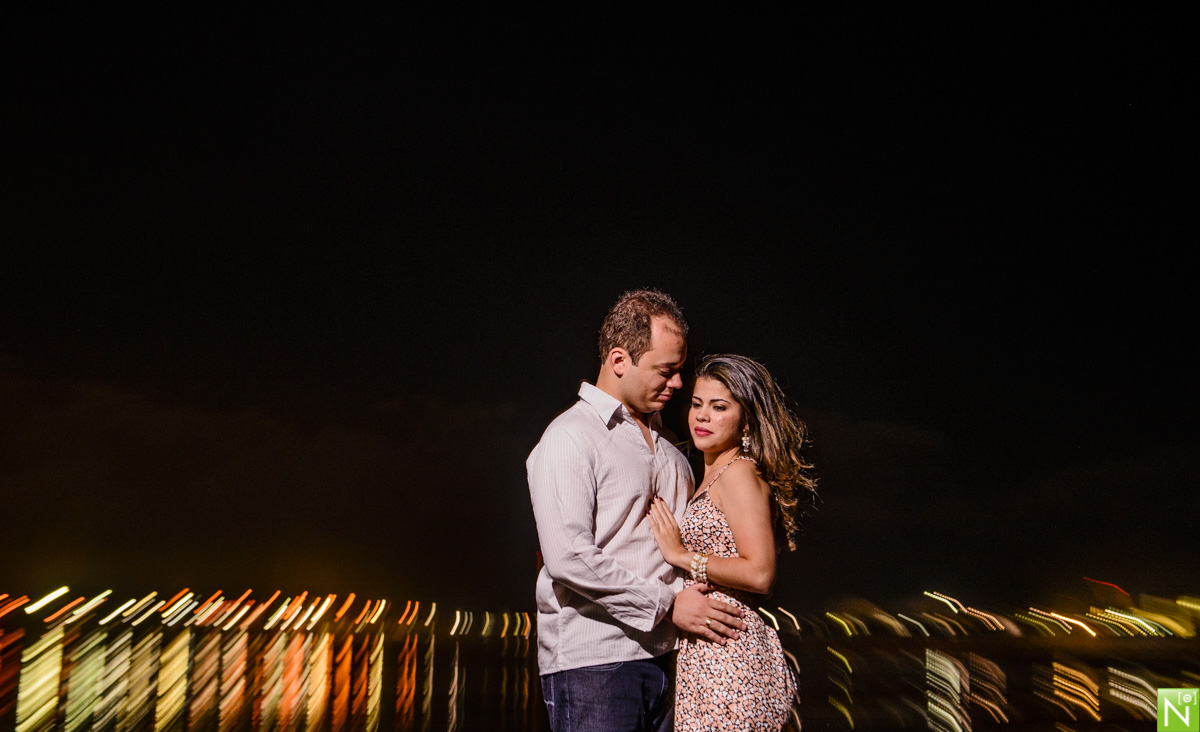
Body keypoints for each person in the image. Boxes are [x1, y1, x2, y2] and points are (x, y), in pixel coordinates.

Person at [527, 290, 747, 732]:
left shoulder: (672, 452)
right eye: (667, 371)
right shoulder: (570, 437)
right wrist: (668, 606)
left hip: (671, 659)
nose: (679, 384)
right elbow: (568, 556)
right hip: (595, 662)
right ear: (619, 359)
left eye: (680, 371)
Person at [647, 353, 815, 731]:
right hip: (708, 656)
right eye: (696, 404)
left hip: (730, 659)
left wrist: (682, 555)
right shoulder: (711, 473)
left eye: (719, 407)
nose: (701, 416)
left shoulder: (738, 472)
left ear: (746, 420)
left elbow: (760, 572)